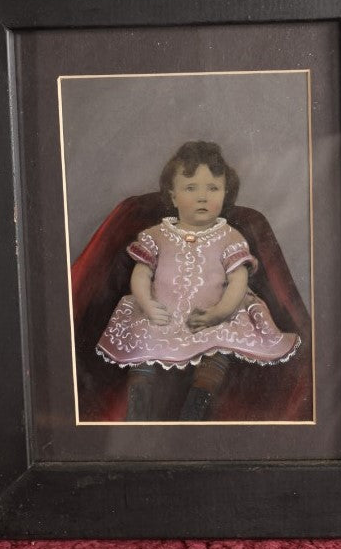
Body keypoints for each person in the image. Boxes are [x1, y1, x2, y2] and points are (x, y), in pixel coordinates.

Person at [96, 141, 301, 421]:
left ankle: (195, 408)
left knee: (216, 351)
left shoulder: (229, 237)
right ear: (173, 195)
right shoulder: (156, 235)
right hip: (163, 311)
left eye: (213, 188)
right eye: (191, 188)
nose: (203, 197)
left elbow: (238, 281)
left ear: (226, 193)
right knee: (142, 345)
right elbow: (142, 273)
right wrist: (146, 302)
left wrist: (219, 312)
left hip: (211, 312)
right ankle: (138, 411)